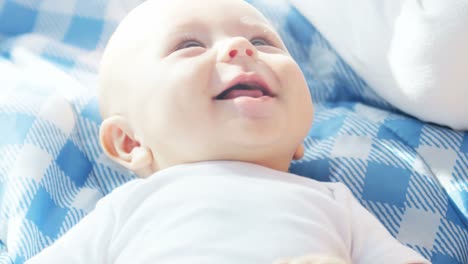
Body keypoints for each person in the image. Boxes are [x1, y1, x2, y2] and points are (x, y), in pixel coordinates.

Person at [26, 0, 429, 263]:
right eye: (190, 46)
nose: (241, 46)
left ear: (298, 140)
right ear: (131, 142)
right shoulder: (127, 208)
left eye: (263, 41)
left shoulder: (333, 202)